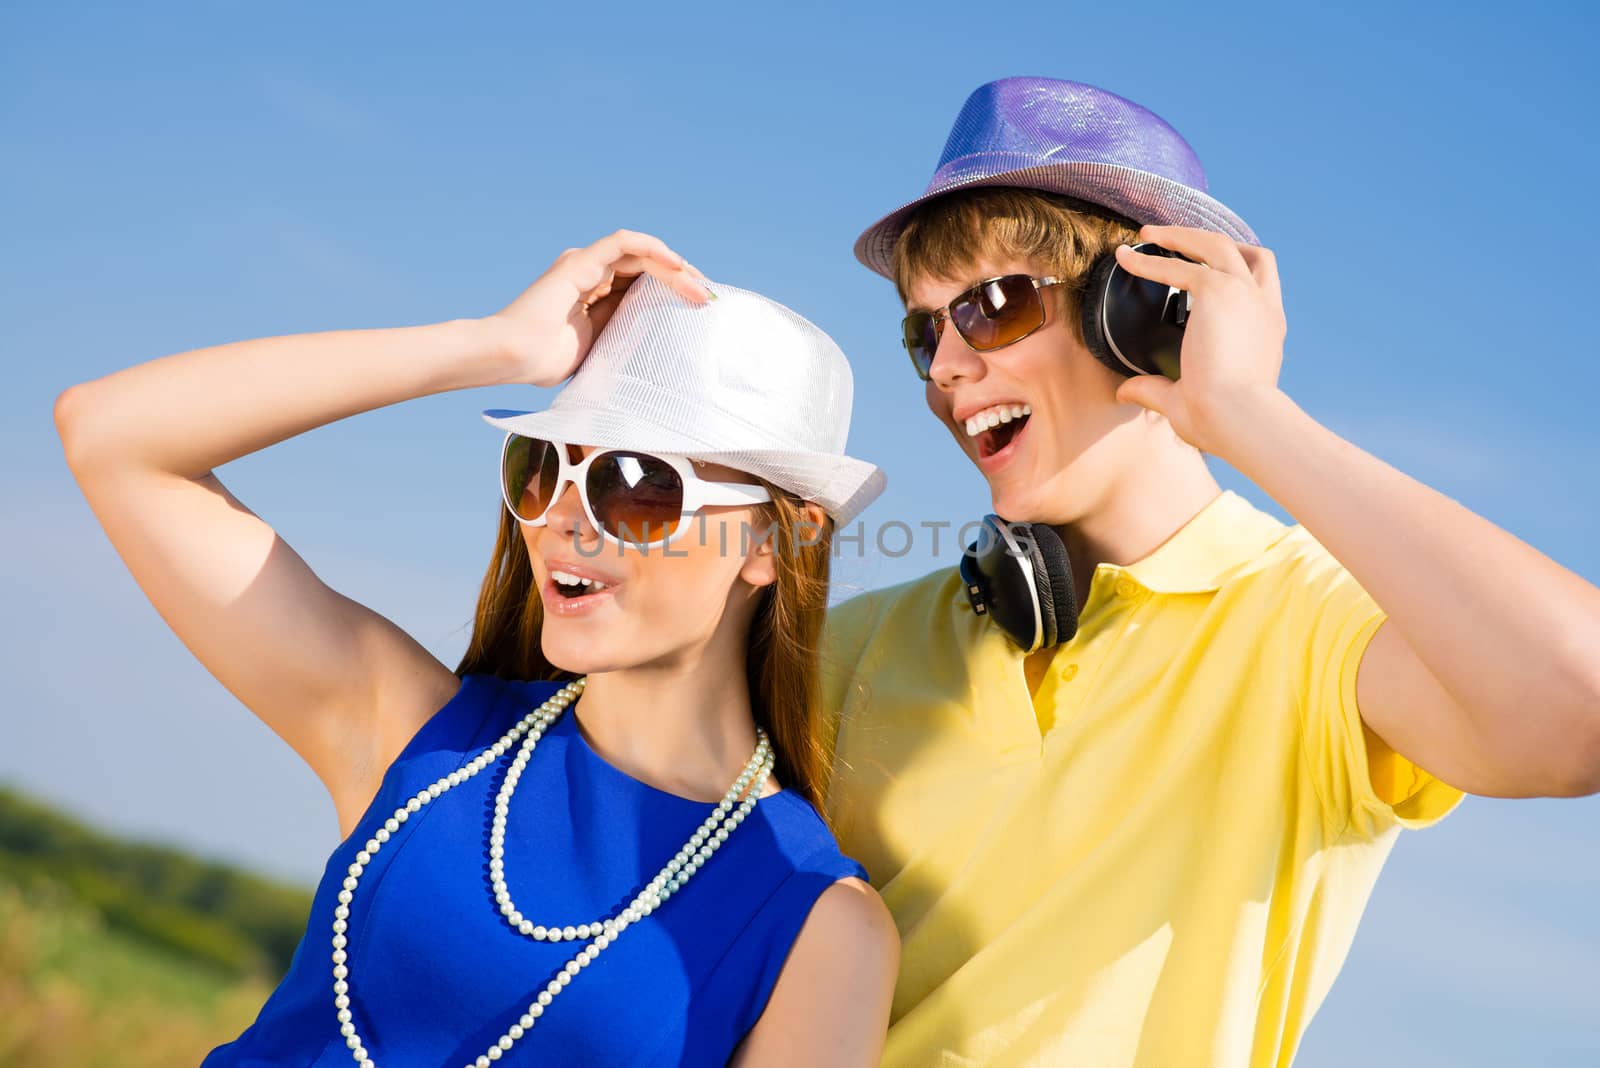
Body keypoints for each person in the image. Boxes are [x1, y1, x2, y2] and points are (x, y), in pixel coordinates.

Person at [820, 76, 1600, 1067]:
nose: (943, 368)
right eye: (922, 330)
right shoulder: (852, 648)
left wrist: (1248, 416)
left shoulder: (1315, 625)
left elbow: (1578, 711)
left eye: (993, 306)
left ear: (1143, 314)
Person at [53, 233, 898, 1067]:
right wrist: (493, 346)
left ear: (775, 546)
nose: (561, 516)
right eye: (544, 465)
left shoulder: (817, 923)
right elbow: (110, 436)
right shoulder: (427, 738)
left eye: (636, 486)